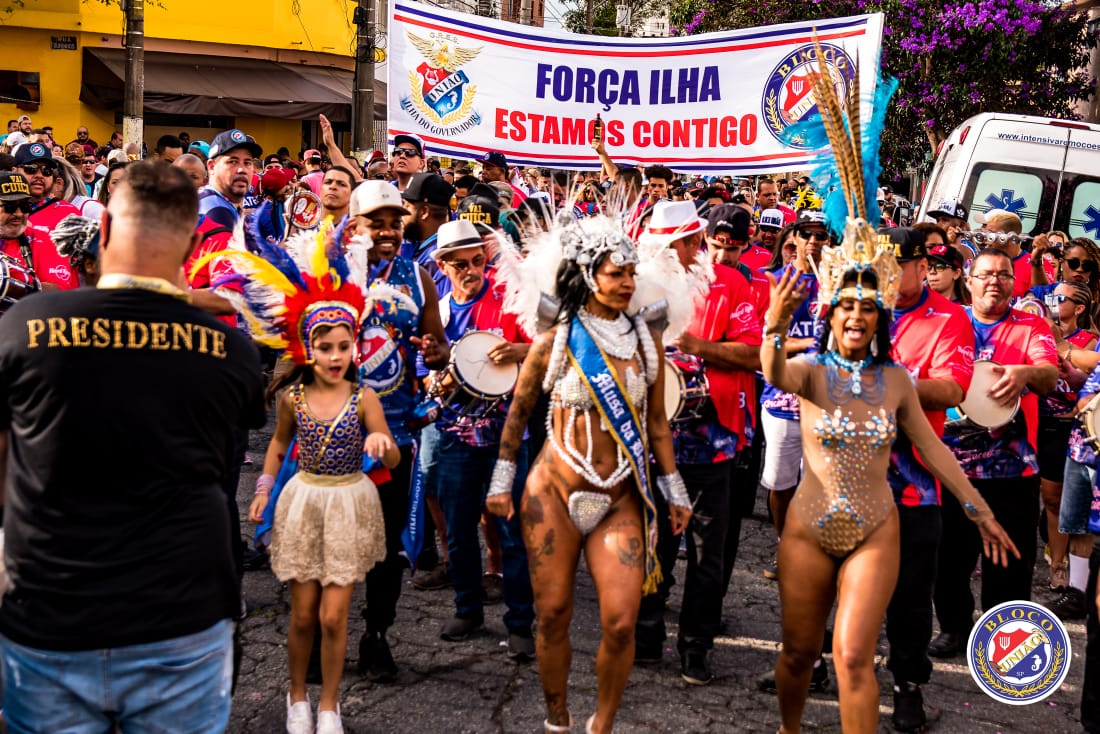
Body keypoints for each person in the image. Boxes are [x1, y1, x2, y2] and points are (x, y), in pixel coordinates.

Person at [0, 160, 266, 732]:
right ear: (195, 244)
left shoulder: (24, 326)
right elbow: (229, 446)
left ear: (100, 234)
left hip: (49, 608)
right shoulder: (231, 350)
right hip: (181, 610)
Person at [763, 229, 1017, 734]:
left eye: (868, 308)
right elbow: (774, 371)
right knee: (801, 645)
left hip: (894, 511)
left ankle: (907, 686)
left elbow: (940, 426)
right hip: (814, 522)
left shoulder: (916, 356)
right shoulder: (813, 366)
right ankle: (797, 699)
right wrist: (776, 320)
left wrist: (980, 510)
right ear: (832, 314)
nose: (857, 315)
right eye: (846, 307)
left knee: (876, 633)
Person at [486, 214, 692, 734]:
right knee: (552, 614)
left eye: (630, 273)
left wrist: (675, 489)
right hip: (553, 492)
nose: (626, 283)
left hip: (619, 498)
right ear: (587, 272)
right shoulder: (558, 337)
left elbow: (657, 425)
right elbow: (519, 411)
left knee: (622, 623)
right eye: (614, 273)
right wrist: (500, 482)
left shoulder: (645, 341)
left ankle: (601, 724)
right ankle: (558, 720)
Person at [208, 226, 399, 734]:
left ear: (355, 346)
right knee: (303, 615)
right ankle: (297, 696)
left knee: (336, 617)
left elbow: (392, 454)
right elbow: (275, 445)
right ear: (307, 348)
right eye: (325, 347)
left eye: (344, 346)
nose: (336, 356)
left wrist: (383, 446)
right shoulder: (293, 399)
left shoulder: (367, 399)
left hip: (348, 503)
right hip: (304, 500)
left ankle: (331, 702)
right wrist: (265, 489)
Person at [633, 200, 762, 685]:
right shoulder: (636, 287)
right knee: (653, 539)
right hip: (650, 439)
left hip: (712, 439)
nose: (691, 250)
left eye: (688, 242)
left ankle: (696, 645)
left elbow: (753, 353)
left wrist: (699, 348)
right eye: (679, 243)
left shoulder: (729, 283)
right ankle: (647, 633)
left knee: (708, 551)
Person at [931, 248, 1059, 658]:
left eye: (1004, 275)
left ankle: (1002, 636)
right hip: (950, 465)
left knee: (1010, 561)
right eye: (985, 274)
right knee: (949, 557)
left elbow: (1050, 374)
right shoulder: (950, 321)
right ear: (968, 280)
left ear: (1013, 282)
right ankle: (953, 626)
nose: (994, 281)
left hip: (1012, 471)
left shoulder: (1032, 326)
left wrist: (1025, 372)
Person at [347, 180, 449, 682]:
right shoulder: (332, 273)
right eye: (376, 222)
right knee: (337, 540)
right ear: (354, 226)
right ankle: (324, 638)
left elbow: (439, 344)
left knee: (386, 546)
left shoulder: (420, 276)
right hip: (338, 432)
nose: (387, 232)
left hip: (397, 433)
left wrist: (437, 353)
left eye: (394, 221)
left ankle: (376, 635)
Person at [420, 220, 536, 657]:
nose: (472, 269)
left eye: (477, 260)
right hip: (454, 436)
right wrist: (434, 362)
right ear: (443, 265)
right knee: (460, 532)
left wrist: (520, 351)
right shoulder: (441, 312)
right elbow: (426, 371)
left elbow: (547, 346)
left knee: (512, 534)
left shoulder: (510, 302)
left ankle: (521, 622)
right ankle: (467, 607)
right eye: (461, 263)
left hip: (508, 435)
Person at [880, 226, 975, 732]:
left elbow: (952, 387)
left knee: (911, 597)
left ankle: (907, 687)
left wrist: (889, 383)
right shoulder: (854, 306)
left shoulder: (951, 316)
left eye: (902, 265)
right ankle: (812, 665)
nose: (891, 276)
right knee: (831, 581)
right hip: (847, 478)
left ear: (922, 266)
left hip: (914, 485)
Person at [1036, 280, 1096, 620]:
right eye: (1053, 296)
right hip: (1042, 424)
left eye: (1062, 299)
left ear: (1081, 307)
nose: (1054, 302)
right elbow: (1083, 383)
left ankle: (1074, 585)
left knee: (1072, 512)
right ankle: (1074, 588)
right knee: (1070, 513)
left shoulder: (1088, 341)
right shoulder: (1039, 331)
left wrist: (1063, 351)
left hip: (1073, 433)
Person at [0, 170, 77, 292]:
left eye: (25, 206)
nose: (19, 214)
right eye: (10, 206)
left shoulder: (44, 240)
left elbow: (59, 290)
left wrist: (11, 285)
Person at [917, 223, 968, 304]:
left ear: (956, 273)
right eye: (929, 266)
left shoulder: (972, 307)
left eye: (940, 266)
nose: (932, 271)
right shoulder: (915, 300)